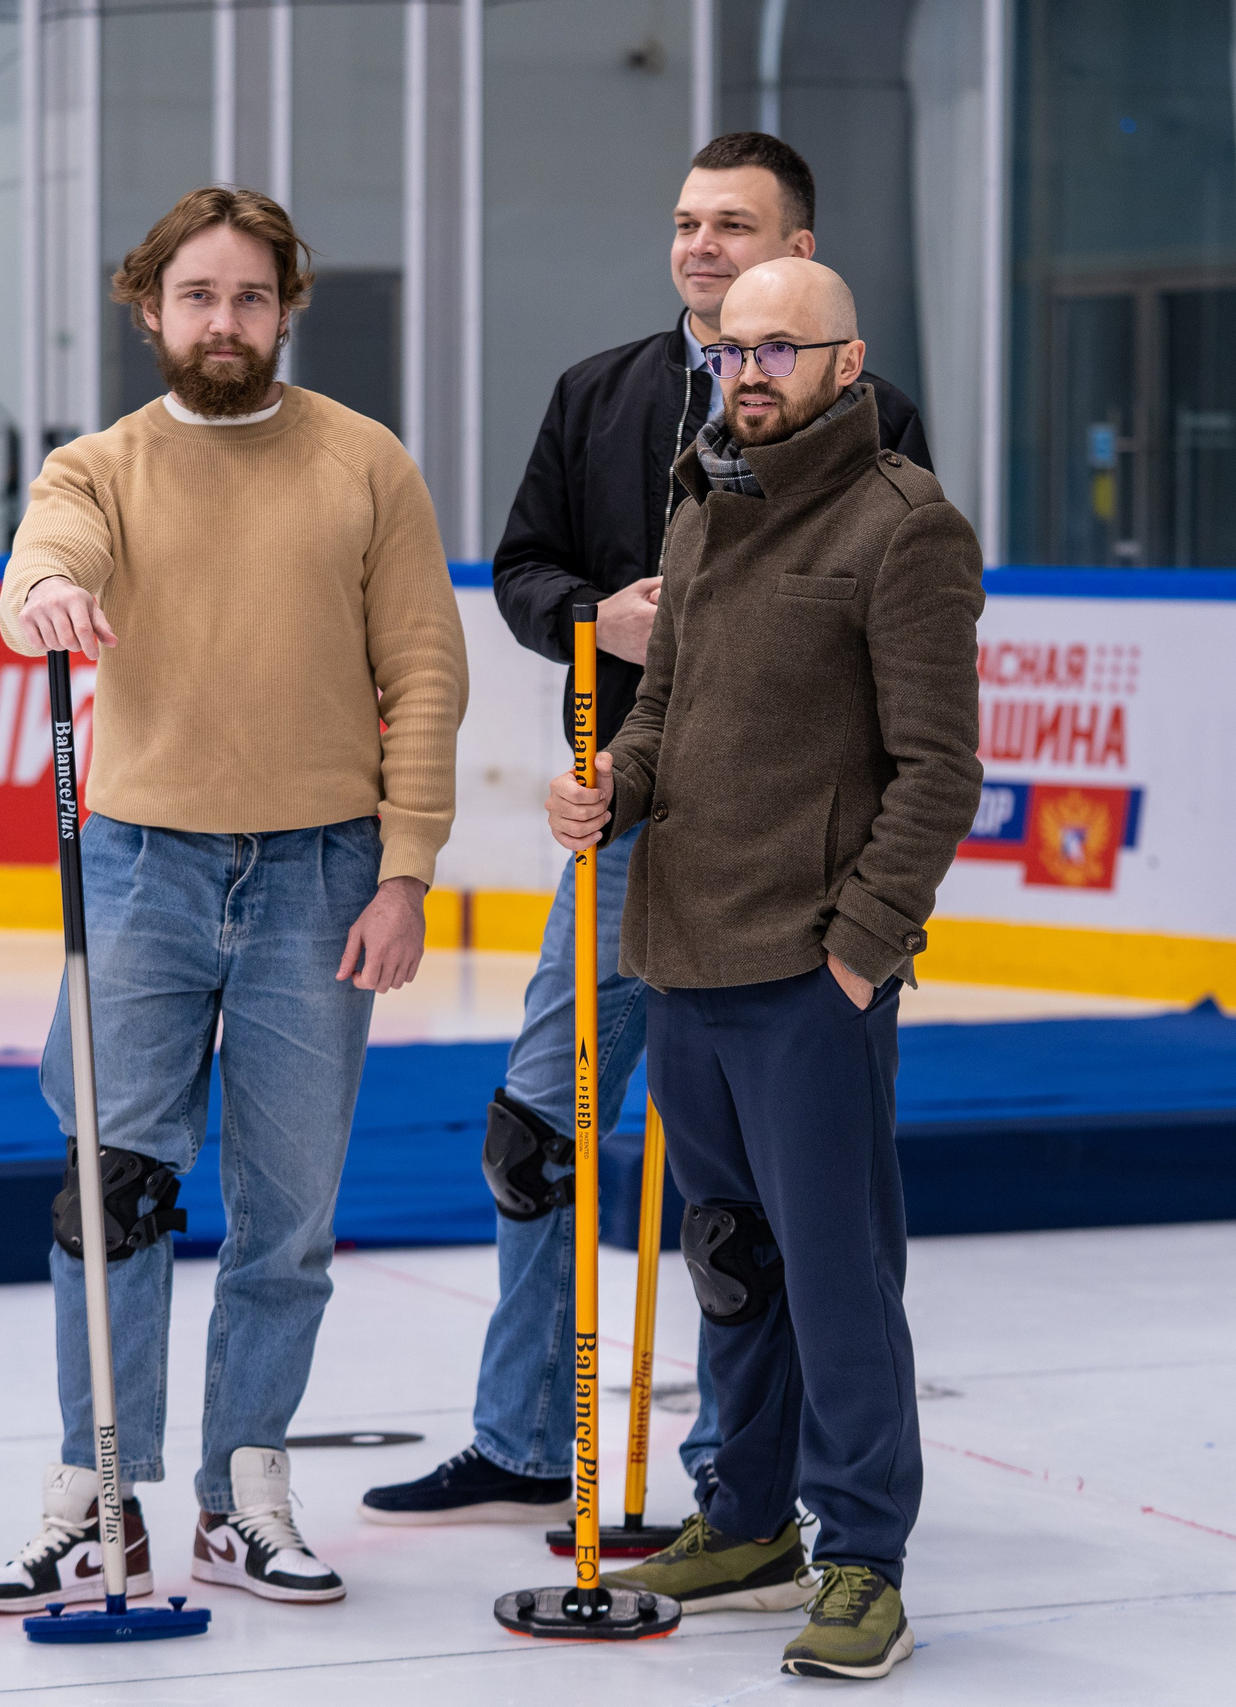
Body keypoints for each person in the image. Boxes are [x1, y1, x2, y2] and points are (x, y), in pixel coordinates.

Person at [362, 132, 931, 1530]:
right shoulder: (599, 394)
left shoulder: (872, 419)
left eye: (734, 224)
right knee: (536, 1132)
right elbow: (518, 568)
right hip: (623, 827)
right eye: (686, 221)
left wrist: (864, 924)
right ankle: (523, 1431)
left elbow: (889, 675)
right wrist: (591, 621)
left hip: (783, 862)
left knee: (756, 1204)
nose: (700, 246)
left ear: (803, 255)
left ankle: (743, 1484)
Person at [0, 186, 468, 1613]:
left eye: (251, 297)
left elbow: (425, 673)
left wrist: (407, 867)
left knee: (285, 1214)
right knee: (106, 1197)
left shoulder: (366, 466)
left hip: (321, 876)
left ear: (288, 308)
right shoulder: (98, 466)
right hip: (139, 870)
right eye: (198, 297)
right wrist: (48, 597)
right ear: (150, 310)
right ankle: (96, 1491)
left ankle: (244, 1489)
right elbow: (37, 567)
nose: (224, 323)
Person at [561, 257, 983, 1682]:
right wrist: (609, 787)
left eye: (783, 350)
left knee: (840, 1275)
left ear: (846, 367)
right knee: (732, 1265)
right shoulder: (700, 505)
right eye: (736, 348)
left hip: (811, 980)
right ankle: (748, 1517)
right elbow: (666, 709)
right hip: (679, 956)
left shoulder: (903, 529)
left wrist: (863, 952)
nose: (751, 371)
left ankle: (865, 1557)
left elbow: (939, 773)